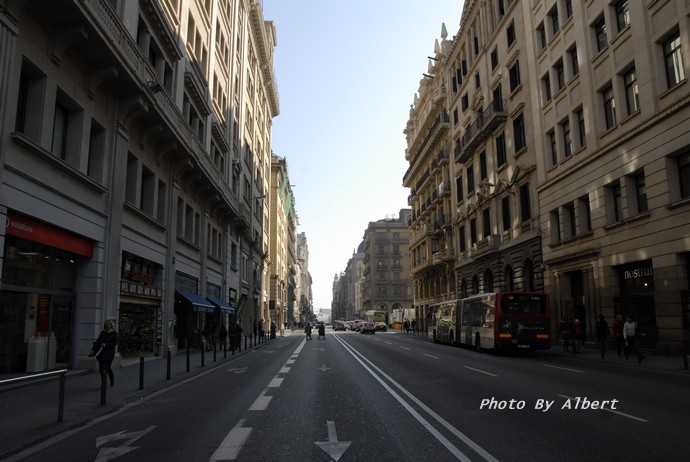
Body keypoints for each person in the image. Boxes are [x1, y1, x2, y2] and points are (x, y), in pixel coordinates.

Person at [91, 320, 118, 387]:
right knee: (102, 369)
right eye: (106, 324)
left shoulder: (114, 333)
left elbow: (115, 343)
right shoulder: (103, 333)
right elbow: (98, 341)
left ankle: (112, 380)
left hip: (109, 354)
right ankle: (103, 383)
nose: (107, 325)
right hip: (102, 353)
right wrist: (93, 350)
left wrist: (106, 344)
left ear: (111, 325)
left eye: (108, 324)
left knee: (107, 368)